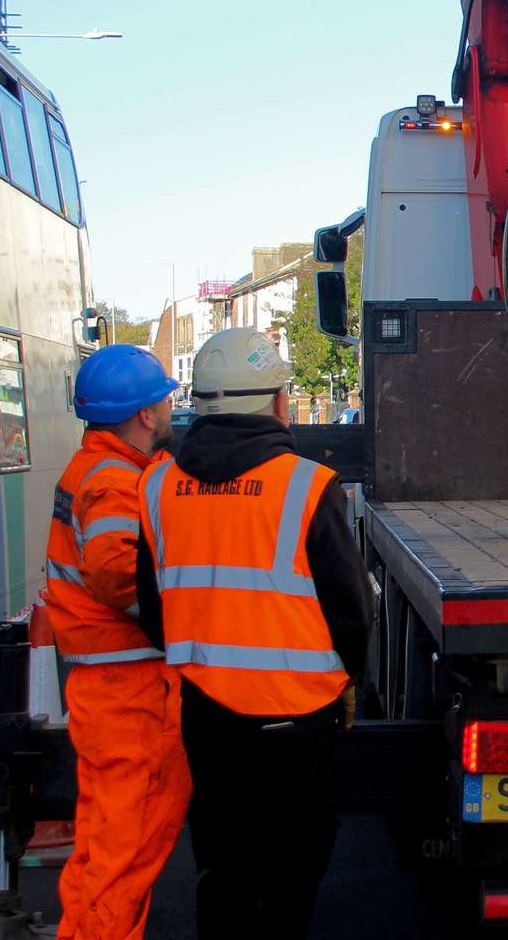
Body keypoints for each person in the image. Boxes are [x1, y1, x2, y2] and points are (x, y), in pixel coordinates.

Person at [134, 328, 372, 939]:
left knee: (224, 869)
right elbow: (349, 610)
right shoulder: (305, 485)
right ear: (274, 401)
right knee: (293, 873)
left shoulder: (157, 487)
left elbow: (154, 609)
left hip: (206, 716)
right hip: (298, 718)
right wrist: (350, 682)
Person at [44, 345, 190, 940]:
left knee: (105, 844)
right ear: (144, 414)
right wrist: (173, 619)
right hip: (128, 691)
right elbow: (112, 571)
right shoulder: (114, 480)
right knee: (125, 849)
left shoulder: (97, 468)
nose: (170, 406)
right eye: (165, 398)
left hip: (109, 686)